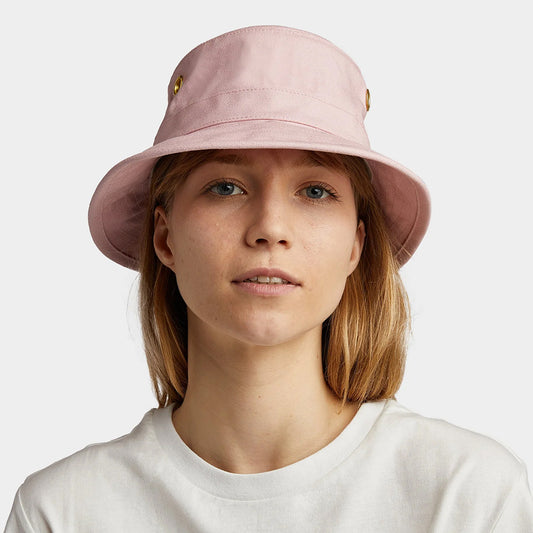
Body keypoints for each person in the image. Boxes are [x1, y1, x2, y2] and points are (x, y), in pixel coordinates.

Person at [5, 24, 533, 532]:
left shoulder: (467, 495)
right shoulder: (64, 511)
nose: (270, 228)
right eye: (226, 187)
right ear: (165, 238)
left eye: (315, 191)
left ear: (356, 244)